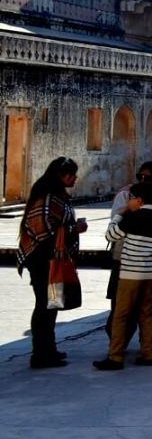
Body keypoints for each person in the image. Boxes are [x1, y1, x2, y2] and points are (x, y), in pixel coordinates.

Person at [16, 157, 86, 369]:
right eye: (70, 175)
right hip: (42, 260)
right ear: (59, 176)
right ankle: (40, 354)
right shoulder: (46, 199)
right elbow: (43, 231)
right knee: (44, 307)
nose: (74, 179)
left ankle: (49, 349)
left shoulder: (58, 197)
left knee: (52, 305)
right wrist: (75, 229)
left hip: (55, 259)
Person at [94, 182, 152, 370]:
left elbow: (111, 235)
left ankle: (115, 357)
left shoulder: (133, 217)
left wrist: (121, 213)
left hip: (130, 274)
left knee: (121, 315)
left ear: (139, 199)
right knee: (147, 314)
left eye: (131, 199)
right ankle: (148, 353)